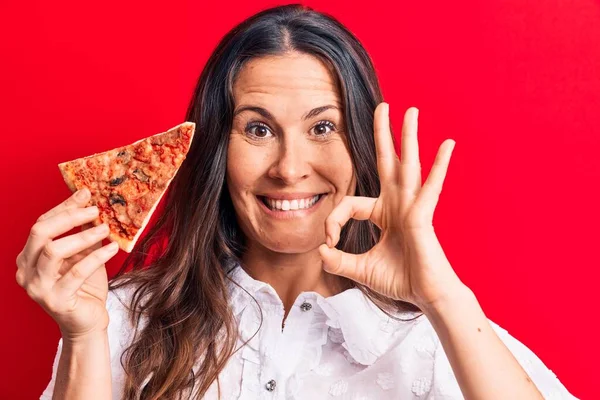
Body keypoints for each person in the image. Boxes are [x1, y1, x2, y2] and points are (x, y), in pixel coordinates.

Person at [16, 4, 577, 399]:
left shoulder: (436, 334)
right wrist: (85, 336)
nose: (289, 168)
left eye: (324, 127)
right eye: (257, 130)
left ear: (361, 146)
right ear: (216, 147)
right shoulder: (123, 317)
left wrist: (442, 298)